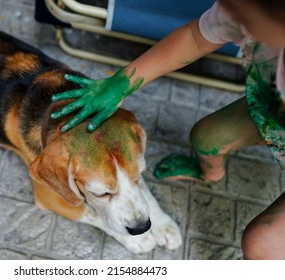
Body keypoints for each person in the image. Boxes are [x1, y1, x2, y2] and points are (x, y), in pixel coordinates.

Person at [50, 0, 285, 259]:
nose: (234, 19)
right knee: (206, 138)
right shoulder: (246, 7)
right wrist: (122, 82)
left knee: (259, 245)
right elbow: (196, 37)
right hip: (270, 108)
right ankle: (208, 173)